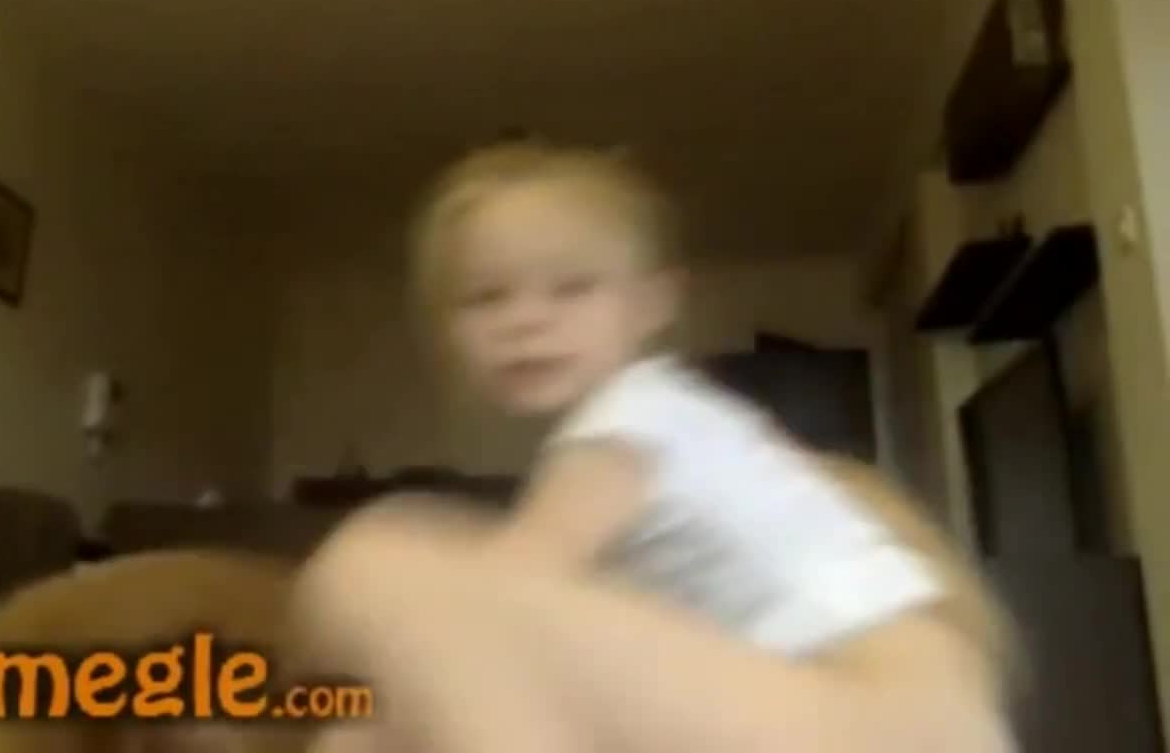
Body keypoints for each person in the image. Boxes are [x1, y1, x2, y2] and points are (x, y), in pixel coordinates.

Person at [291, 140, 1021, 753]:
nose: (526, 320)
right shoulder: (682, 428)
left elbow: (513, 592)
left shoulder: (630, 419)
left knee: (383, 562)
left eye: (571, 288)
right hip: (899, 705)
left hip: (879, 705)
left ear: (651, 303)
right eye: (487, 297)